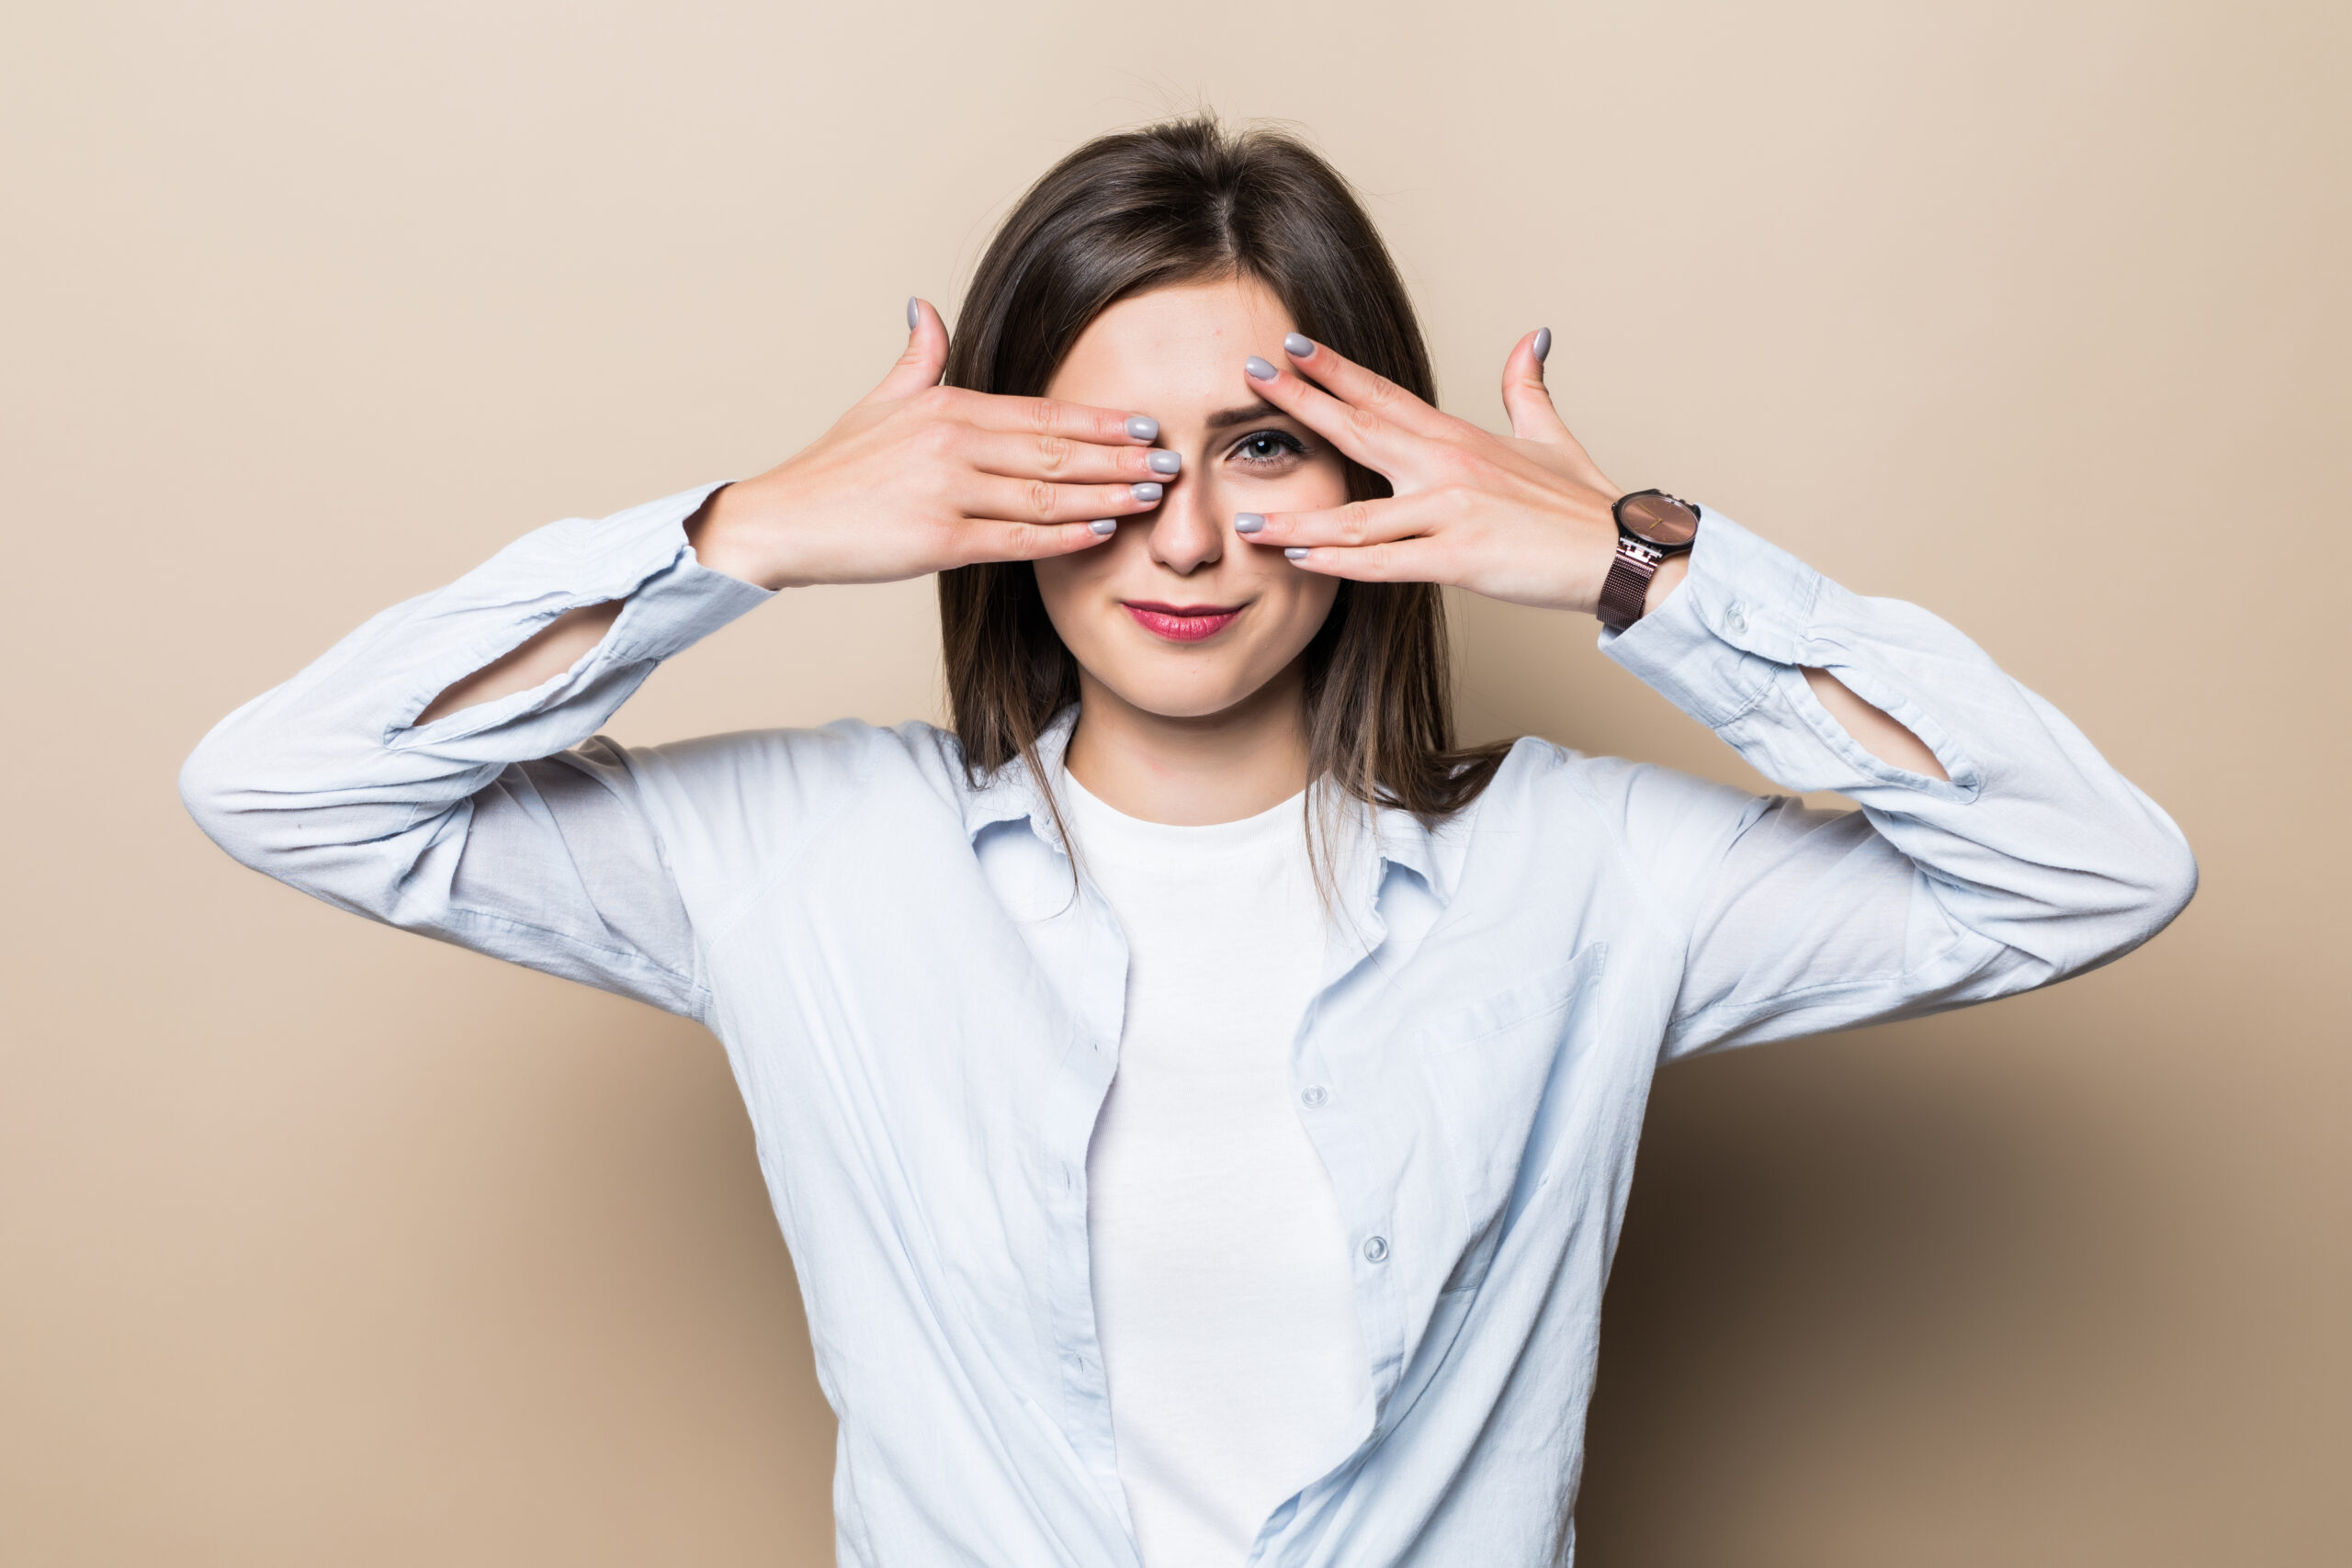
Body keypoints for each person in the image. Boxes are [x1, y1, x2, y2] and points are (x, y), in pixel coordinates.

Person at [178, 118, 2196, 1567]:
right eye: (1106, 452)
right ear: (985, 470)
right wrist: (742, 537)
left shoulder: (1586, 877)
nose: (1188, 536)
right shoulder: (797, 864)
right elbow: (289, 782)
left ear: (1374, 467)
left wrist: (1633, 570)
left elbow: (2087, 865)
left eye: (1258, 444)